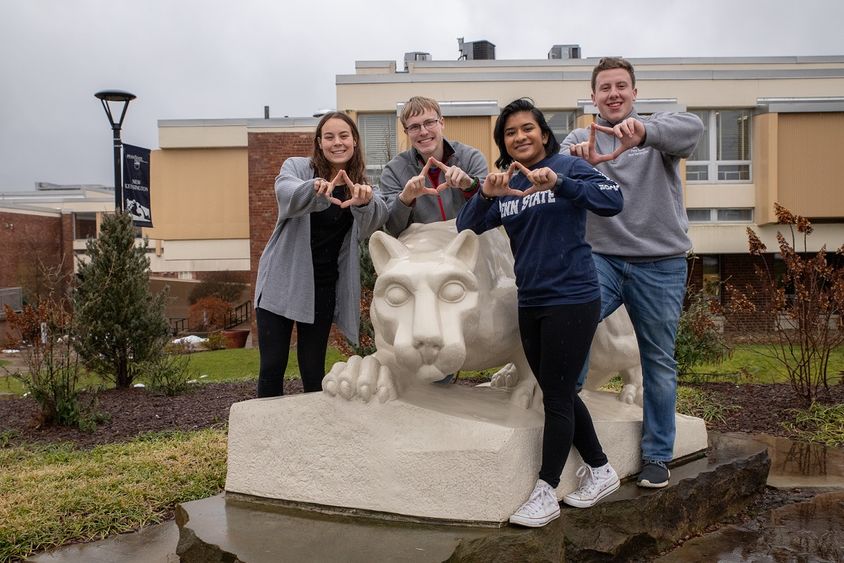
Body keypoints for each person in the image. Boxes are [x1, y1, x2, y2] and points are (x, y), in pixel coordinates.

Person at [457, 98, 624, 527]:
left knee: (555, 394)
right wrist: (484, 194)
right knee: (561, 390)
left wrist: (562, 185)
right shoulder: (508, 184)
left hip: (572, 297)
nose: (519, 137)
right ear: (504, 143)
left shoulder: (566, 167)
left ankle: (546, 491)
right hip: (530, 302)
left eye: (527, 129)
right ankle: (602, 469)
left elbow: (613, 199)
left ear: (543, 133)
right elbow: (466, 227)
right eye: (510, 133)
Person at [561, 57, 705, 489]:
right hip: (601, 257)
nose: (613, 94)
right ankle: (568, 415)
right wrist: (577, 164)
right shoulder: (579, 136)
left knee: (657, 358)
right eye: (605, 88)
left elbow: (692, 129)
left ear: (634, 93)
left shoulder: (659, 133)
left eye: (621, 86)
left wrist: (644, 133)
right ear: (593, 97)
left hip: (660, 262)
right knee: (573, 325)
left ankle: (657, 455)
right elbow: (559, 166)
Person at [254, 112, 387, 397]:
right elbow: (285, 191)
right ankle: (266, 436)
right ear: (319, 142)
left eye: (343, 136)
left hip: (322, 287)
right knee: (272, 366)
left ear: (354, 141)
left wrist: (364, 202)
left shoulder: (359, 184)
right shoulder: (300, 169)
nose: (336, 143)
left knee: (314, 370)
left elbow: (377, 216)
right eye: (329, 137)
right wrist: (313, 189)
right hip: (281, 280)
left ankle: (312, 436)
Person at [379, 96, 489, 236]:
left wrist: (470, 186)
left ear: (442, 123)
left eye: (429, 122)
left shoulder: (471, 158)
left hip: (467, 247)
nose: (423, 132)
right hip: (422, 253)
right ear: (406, 132)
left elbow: (489, 214)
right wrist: (405, 199)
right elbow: (393, 228)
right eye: (414, 127)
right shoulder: (393, 171)